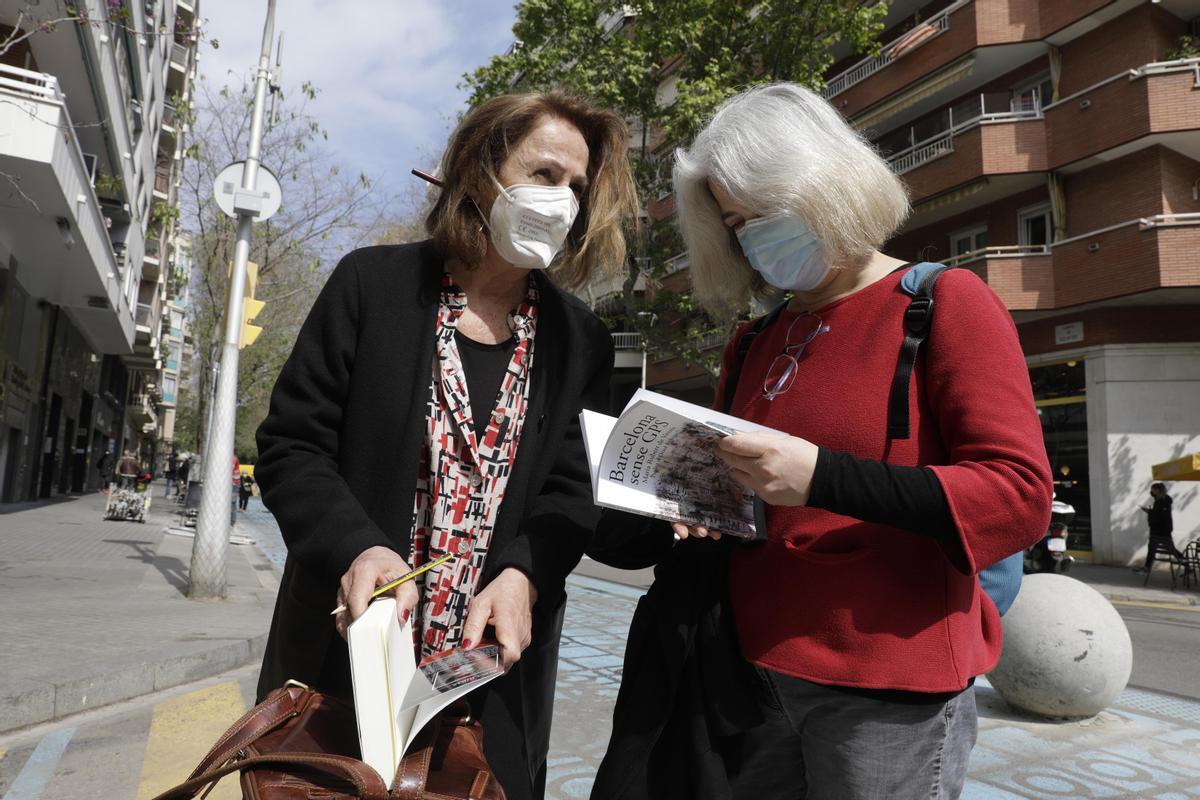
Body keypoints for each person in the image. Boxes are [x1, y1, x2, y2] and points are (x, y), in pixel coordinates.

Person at [587, 83, 1053, 800]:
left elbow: (1017, 498)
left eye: (767, 212)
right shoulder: (755, 339)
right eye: (737, 223)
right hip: (746, 672)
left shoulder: (944, 305)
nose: (752, 239)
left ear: (825, 184)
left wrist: (821, 477)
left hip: (886, 684)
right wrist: (694, 499)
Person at [253, 90, 638, 799]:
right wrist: (355, 548)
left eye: (577, 188)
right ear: (480, 169)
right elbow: (291, 445)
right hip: (347, 670)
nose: (561, 200)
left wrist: (525, 573)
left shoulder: (579, 339)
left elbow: (570, 489)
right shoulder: (371, 285)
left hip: (492, 686)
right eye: (545, 175)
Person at [1135, 482, 1181, 573]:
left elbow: (1160, 516)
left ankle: (1186, 563)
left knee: (1168, 549)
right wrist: (1150, 511)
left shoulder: (1163, 501)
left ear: (1157, 490)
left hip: (1161, 530)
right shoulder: (1161, 500)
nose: (1151, 492)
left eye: (1152, 490)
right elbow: (1158, 514)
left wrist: (1150, 512)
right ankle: (1147, 567)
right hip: (1161, 530)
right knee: (1155, 548)